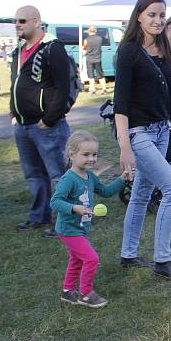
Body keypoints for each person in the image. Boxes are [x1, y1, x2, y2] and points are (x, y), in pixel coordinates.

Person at [114, 0, 171, 280]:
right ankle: (163, 261)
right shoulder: (129, 51)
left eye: (161, 15)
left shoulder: (165, 51)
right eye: (151, 15)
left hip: (161, 132)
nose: (158, 20)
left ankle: (128, 254)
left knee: (141, 195)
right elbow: (120, 104)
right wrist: (125, 148)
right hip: (137, 133)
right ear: (139, 16)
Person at [10, 5, 73, 237]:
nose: (17, 24)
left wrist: (50, 119)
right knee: (34, 174)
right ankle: (39, 216)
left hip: (46, 126)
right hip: (23, 124)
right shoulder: (19, 50)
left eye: (22, 20)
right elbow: (14, 84)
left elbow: (63, 86)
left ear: (36, 22)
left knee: (59, 174)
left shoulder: (52, 48)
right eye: (15, 21)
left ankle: (66, 220)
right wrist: (12, 113)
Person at [51, 131, 128, 308]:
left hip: (79, 228)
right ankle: (85, 294)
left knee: (77, 259)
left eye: (94, 154)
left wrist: (122, 179)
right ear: (72, 154)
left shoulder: (90, 176)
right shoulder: (68, 179)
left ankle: (67, 291)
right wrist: (74, 208)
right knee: (91, 259)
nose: (91, 159)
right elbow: (55, 202)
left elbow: (106, 192)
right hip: (68, 229)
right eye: (85, 155)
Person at [83, 26, 106, 95]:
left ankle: (92, 90)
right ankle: (104, 89)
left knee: (91, 75)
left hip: (89, 59)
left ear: (89, 32)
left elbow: (84, 48)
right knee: (101, 75)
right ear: (95, 31)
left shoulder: (86, 40)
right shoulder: (99, 38)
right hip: (98, 59)